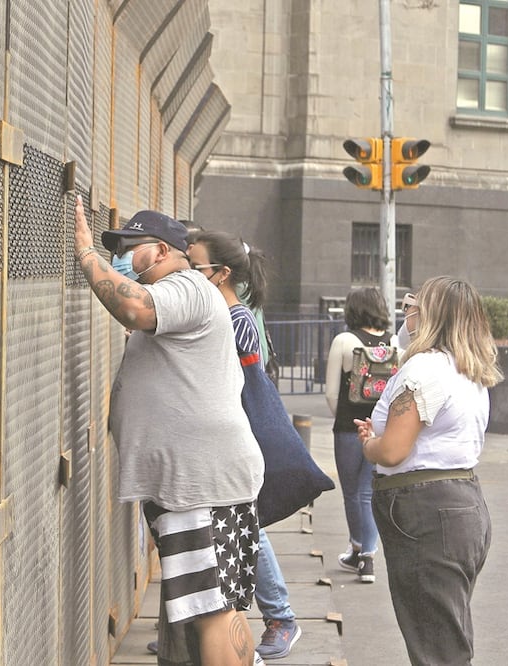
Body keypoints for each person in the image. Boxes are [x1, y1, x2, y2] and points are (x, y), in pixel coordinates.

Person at [73, 200, 264, 666]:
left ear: (161, 250)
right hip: (198, 482)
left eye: (128, 249)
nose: (120, 258)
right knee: (216, 605)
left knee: (211, 610)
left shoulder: (186, 287)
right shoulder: (187, 293)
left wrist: (85, 256)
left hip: (198, 484)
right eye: (113, 250)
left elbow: (135, 308)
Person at [353, 276, 501, 665]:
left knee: (437, 647)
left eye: (412, 304)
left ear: (432, 315)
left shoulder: (425, 370)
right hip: (461, 502)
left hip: (426, 511)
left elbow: (392, 451)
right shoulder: (468, 367)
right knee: (446, 633)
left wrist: (370, 444)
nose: (406, 310)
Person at [188, 231, 320, 661]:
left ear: (221, 273)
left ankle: (281, 616)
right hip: (223, 441)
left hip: (238, 441)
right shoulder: (222, 313)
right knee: (234, 528)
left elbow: (241, 385)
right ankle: (211, 628)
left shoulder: (236, 318)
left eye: (196, 267)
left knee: (247, 528)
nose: (189, 274)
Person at [324, 287, 397, 583]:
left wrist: (342, 417)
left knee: (352, 492)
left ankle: (361, 551)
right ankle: (364, 554)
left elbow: (331, 392)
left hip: (348, 426)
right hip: (381, 426)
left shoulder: (344, 341)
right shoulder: (395, 342)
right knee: (369, 491)